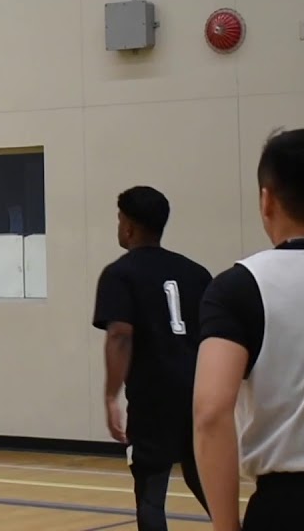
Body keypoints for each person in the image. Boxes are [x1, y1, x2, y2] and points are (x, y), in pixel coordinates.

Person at [195, 128, 304, 531]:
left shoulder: (239, 286)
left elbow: (210, 412)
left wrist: (225, 525)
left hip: (293, 505)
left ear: (266, 199)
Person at [91, 186, 211, 530]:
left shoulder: (119, 273)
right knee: (206, 480)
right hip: (198, 392)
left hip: (152, 398)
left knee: (151, 494)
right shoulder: (197, 273)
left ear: (128, 227)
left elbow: (120, 334)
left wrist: (111, 396)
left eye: (119, 219)